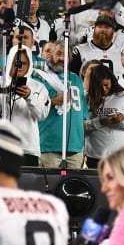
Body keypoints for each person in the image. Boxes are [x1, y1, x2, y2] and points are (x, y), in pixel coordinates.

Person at [0, 45, 50, 165]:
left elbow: (42, 115)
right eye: (16, 63)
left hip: (27, 148)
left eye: (24, 63)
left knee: (25, 184)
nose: (20, 67)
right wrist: (6, 94)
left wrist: (29, 97)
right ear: (9, 62)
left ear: (29, 65)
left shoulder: (39, 87)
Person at [35, 41, 86, 169]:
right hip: (48, 145)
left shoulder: (76, 79)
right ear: (50, 54)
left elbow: (83, 115)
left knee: (74, 187)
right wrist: (52, 101)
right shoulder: (38, 77)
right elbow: (30, 107)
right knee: (48, 187)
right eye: (58, 53)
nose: (62, 58)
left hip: (75, 147)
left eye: (66, 55)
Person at [82, 64, 124, 168]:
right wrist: (99, 122)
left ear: (112, 81)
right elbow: (81, 126)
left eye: (106, 85)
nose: (103, 89)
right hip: (95, 156)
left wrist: (122, 120)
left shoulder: (122, 96)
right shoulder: (86, 99)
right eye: (99, 86)